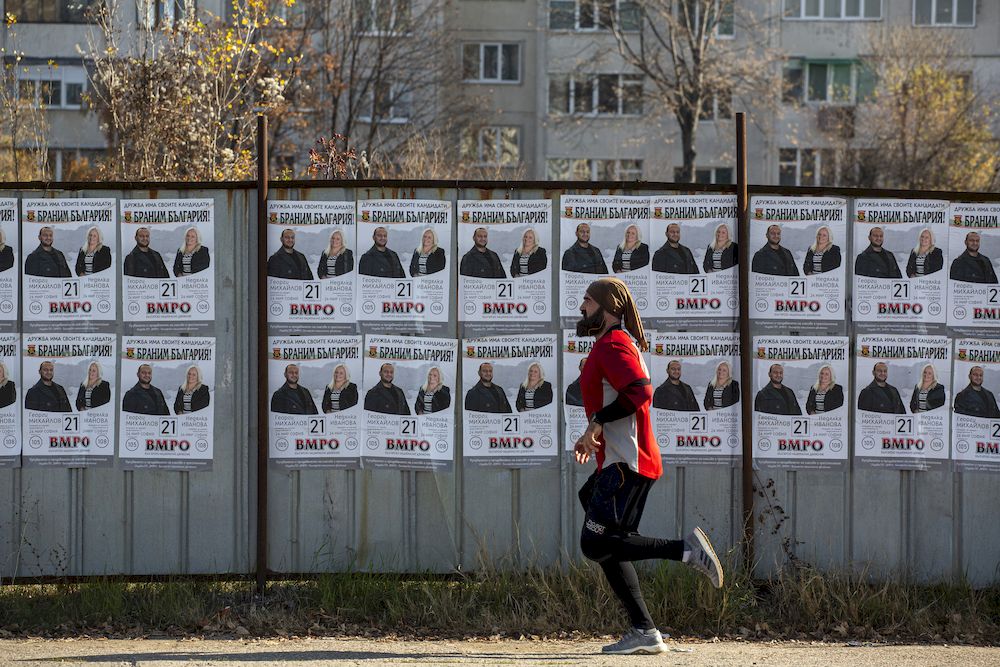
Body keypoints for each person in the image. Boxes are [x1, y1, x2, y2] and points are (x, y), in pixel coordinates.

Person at [573, 277, 722, 655]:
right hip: (622, 461)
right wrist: (593, 432)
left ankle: (686, 551)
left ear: (607, 306)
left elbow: (640, 392)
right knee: (600, 525)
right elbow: (617, 398)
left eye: (587, 301)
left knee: (595, 542)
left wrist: (598, 422)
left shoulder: (613, 343)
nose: (582, 308)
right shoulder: (610, 343)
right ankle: (645, 631)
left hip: (628, 463)